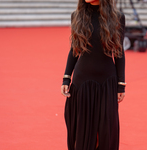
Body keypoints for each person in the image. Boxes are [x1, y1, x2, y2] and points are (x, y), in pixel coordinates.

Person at [61, 0, 126, 149]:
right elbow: (74, 49)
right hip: (81, 82)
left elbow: (119, 52)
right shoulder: (77, 16)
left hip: (106, 83)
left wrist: (121, 84)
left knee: (103, 132)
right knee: (82, 132)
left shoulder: (117, 17)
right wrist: (66, 78)